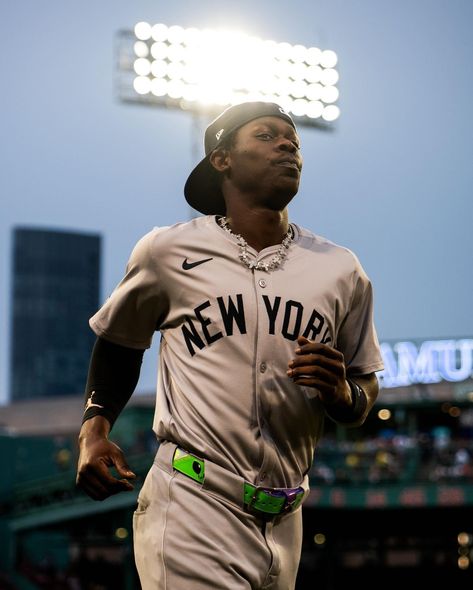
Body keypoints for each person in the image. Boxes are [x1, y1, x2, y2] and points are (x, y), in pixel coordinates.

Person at [76, 101, 384, 589]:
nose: (288, 145)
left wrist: (345, 395)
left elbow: (364, 383)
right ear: (222, 159)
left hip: (288, 516)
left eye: (294, 141)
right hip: (195, 501)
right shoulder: (166, 251)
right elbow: (119, 343)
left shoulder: (341, 269)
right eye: (266, 135)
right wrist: (93, 431)